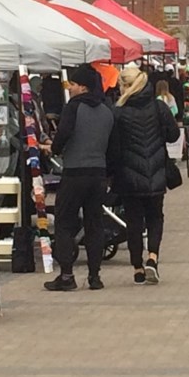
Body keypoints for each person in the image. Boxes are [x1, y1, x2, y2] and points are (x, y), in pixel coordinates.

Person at [40, 65, 118, 292]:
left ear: (82, 86)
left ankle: (66, 275)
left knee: (65, 222)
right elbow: (114, 147)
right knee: (94, 224)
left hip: (74, 172)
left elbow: (63, 135)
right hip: (98, 174)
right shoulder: (106, 110)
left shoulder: (74, 108)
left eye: (72, 84)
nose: (70, 88)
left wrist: (53, 148)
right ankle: (95, 277)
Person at [111, 67, 180, 285]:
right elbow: (173, 135)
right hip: (156, 170)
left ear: (124, 86)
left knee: (133, 221)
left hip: (129, 174)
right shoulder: (158, 107)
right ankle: (153, 257)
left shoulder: (118, 112)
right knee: (155, 217)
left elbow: (113, 146)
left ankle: (137, 267)